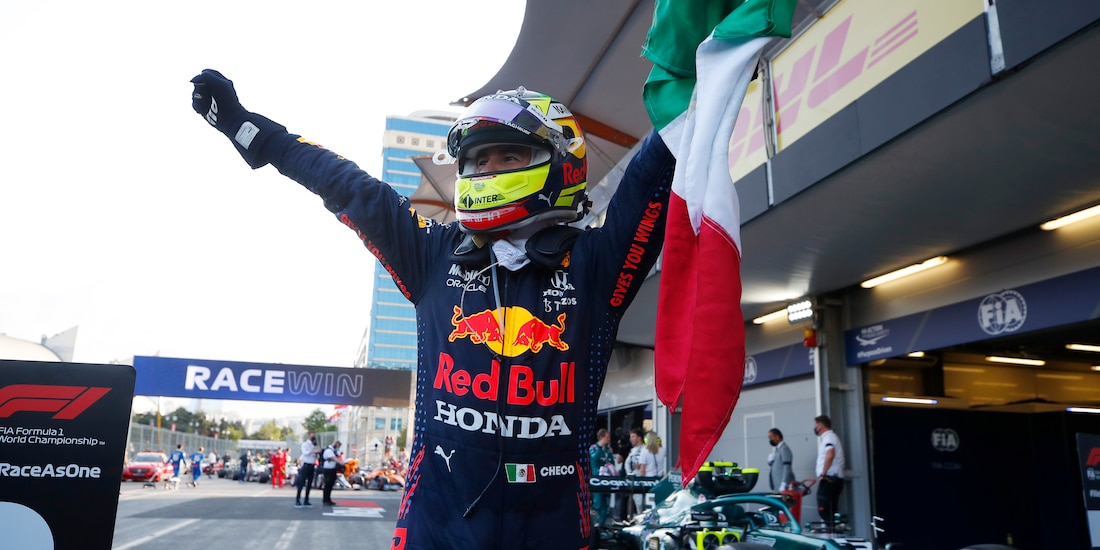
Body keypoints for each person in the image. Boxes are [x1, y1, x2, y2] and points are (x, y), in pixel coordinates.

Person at [190, 69, 673, 550]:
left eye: (509, 155)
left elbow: (658, 161)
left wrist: (697, 68)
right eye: (479, 161)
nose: (487, 172)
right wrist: (249, 129)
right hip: (437, 526)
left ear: (559, 161)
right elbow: (348, 185)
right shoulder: (434, 255)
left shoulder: (596, 264)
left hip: (555, 529)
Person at [814, 415, 846, 530]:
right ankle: (834, 533)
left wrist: (823, 474)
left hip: (829, 479)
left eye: (815, 425)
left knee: (824, 510)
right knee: (832, 511)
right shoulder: (831, 438)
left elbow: (830, 454)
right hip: (834, 479)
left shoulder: (829, 438)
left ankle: (832, 534)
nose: (815, 428)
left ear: (820, 425)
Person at [624, 428, 655, 515]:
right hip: (632, 481)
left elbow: (645, 465)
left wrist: (640, 468)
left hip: (642, 481)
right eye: (630, 437)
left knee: (641, 503)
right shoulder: (632, 450)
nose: (631, 439)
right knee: (636, 503)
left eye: (633, 436)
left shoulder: (644, 449)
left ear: (639, 438)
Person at [588, 429, 614, 527]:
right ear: (601, 437)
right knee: (597, 504)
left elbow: (612, 463)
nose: (609, 439)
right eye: (607, 437)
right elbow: (593, 460)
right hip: (596, 481)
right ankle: (593, 527)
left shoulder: (608, 449)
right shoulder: (594, 448)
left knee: (605, 506)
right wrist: (600, 446)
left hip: (607, 481)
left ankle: (601, 527)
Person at [295, 432, 321, 508]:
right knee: (302, 483)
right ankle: (298, 500)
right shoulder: (305, 444)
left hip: (312, 465)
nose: (314, 437)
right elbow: (305, 453)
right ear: (309, 436)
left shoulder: (314, 445)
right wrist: (314, 451)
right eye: (312, 435)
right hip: (306, 464)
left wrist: (317, 451)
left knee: (309, 483)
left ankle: (306, 500)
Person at [767, 428, 795, 492]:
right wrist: (771, 462)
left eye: (771, 437)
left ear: (777, 437)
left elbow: (787, 467)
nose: (770, 440)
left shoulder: (784, 449)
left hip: (783, 486)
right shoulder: (778, 450)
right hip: (777, 485)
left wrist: (784, 483)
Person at [321, 440, 346, 506]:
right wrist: (342, 463)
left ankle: (328, 499)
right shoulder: (329, 451)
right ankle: (326, 500)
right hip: (328, 469)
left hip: (332, 469)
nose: (338, 448)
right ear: (335, 444)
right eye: (338, 446)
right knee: (327, 485)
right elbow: (334, 458)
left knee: (330, 485)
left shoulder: (333, 451)